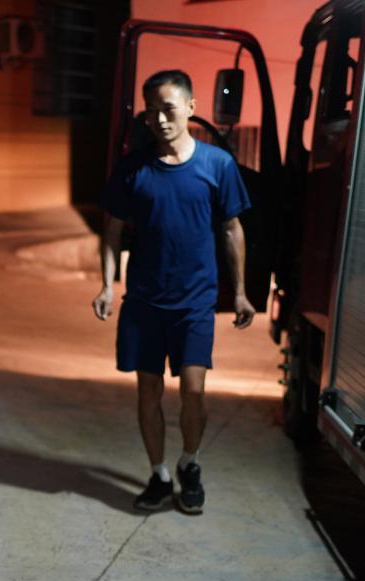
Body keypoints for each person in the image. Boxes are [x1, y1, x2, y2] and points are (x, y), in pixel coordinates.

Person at [93, 69, 254, 515]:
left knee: (194, 392)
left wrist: (241, 292)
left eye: (168, 108)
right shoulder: (133, 168)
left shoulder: (217, 165)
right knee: (148, 394)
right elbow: (111, 230)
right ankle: (160, 475)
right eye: (152, 112)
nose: (160, 120)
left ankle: (190, 463)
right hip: (144, 302)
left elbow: (232, 229)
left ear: (190, 107)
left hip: (195, 302)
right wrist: (107, 285)